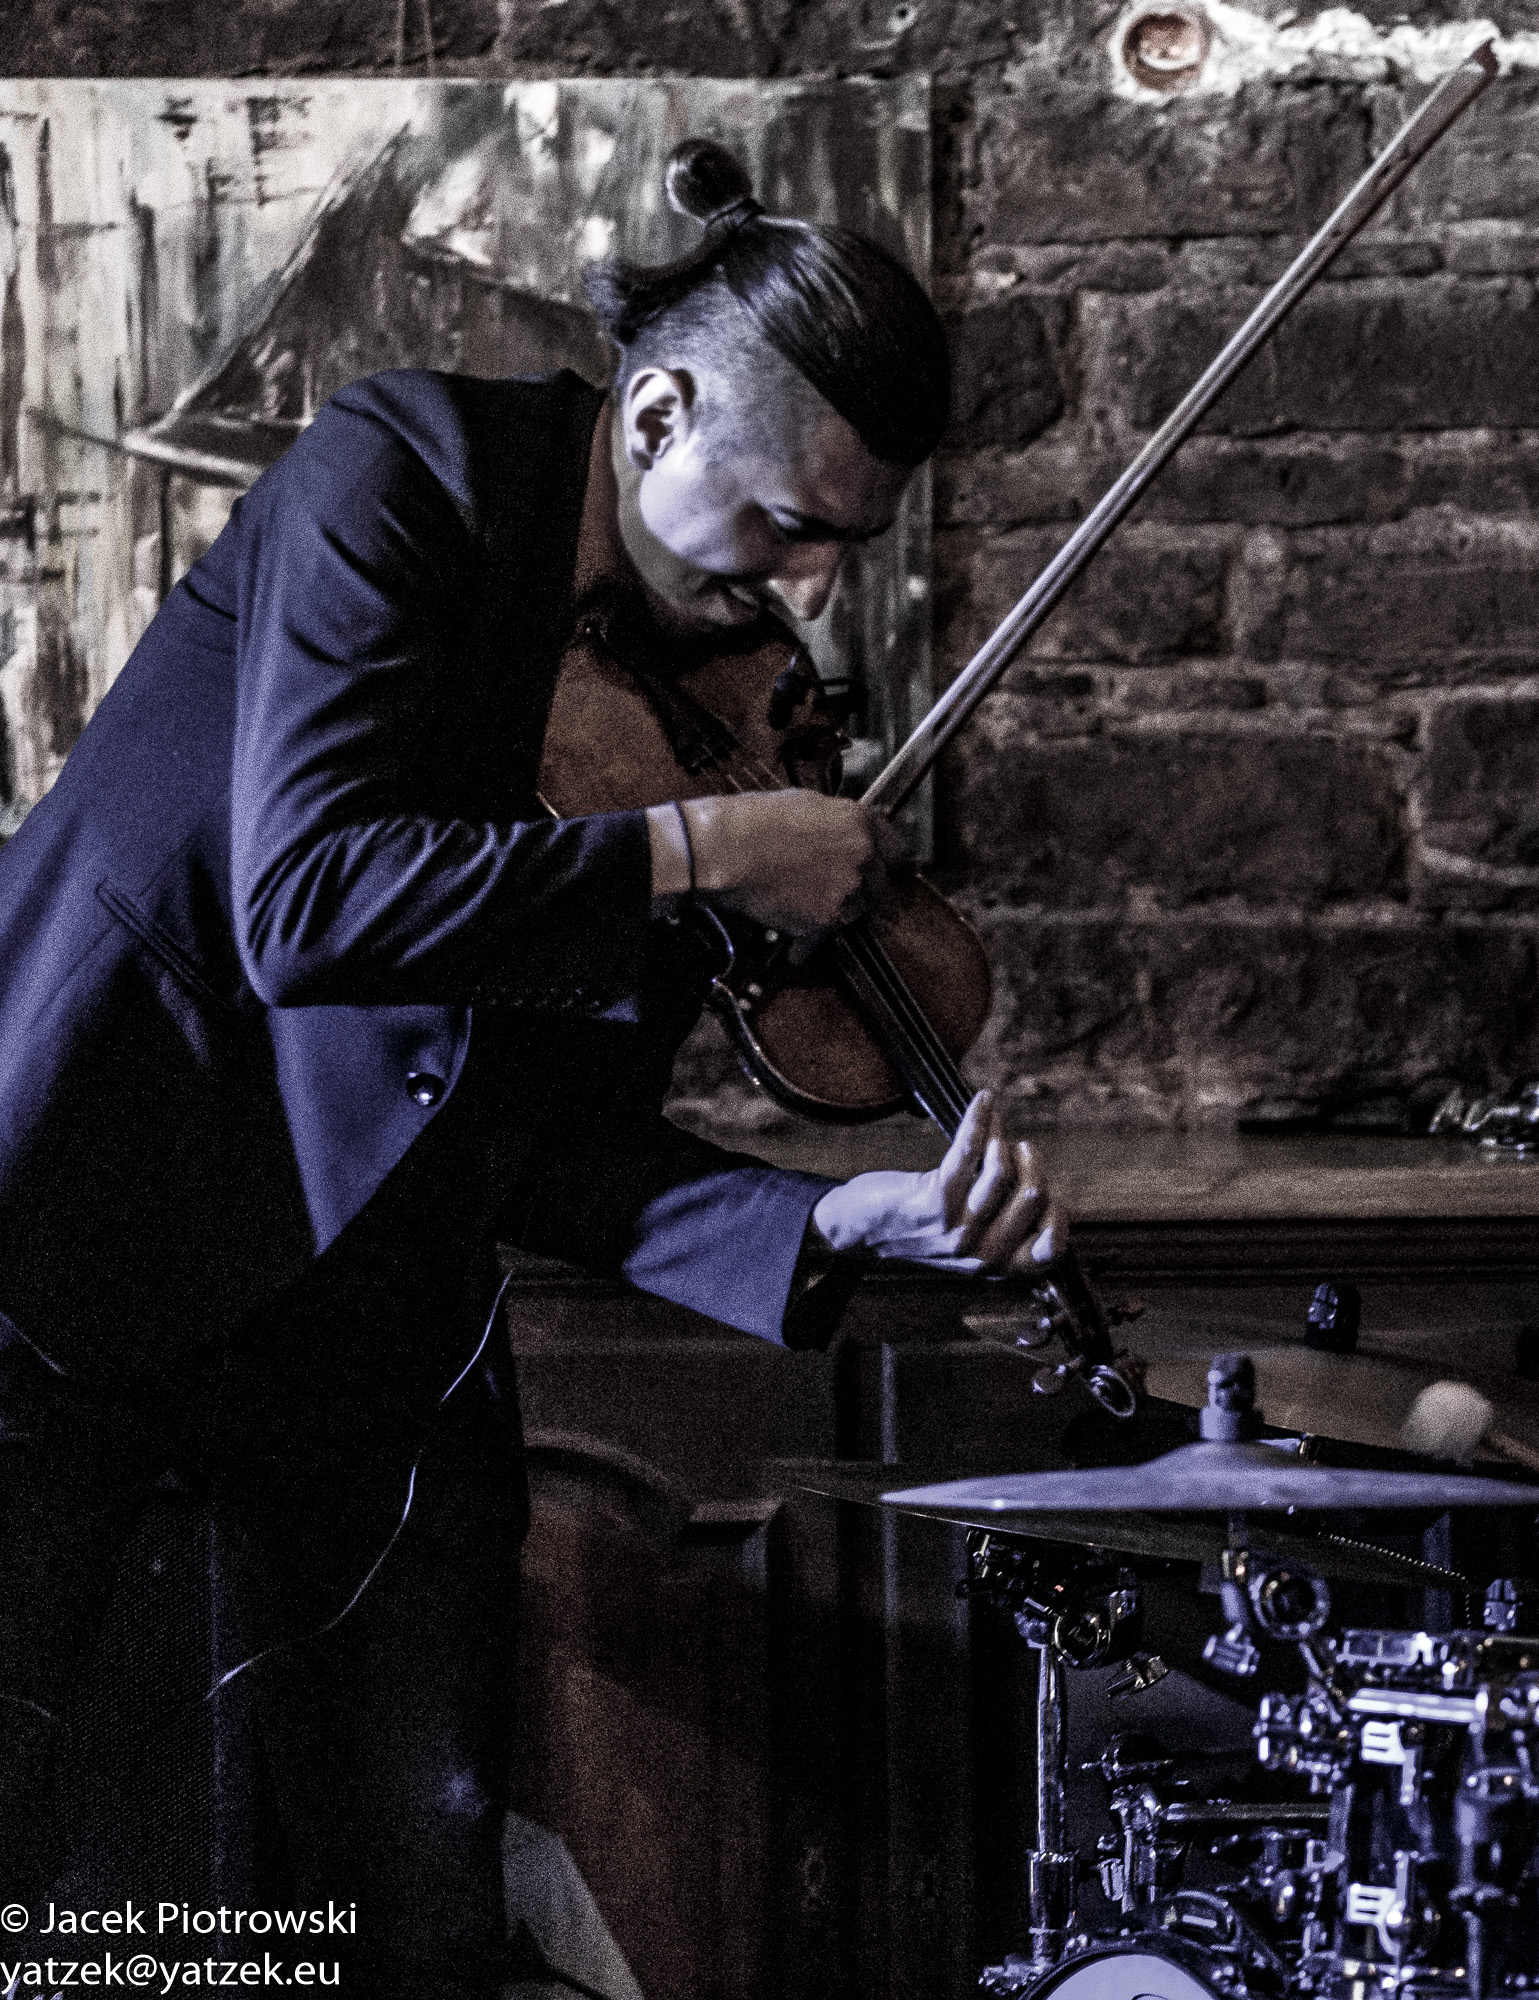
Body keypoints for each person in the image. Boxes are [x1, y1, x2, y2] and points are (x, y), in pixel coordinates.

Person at [0, 140, 1041, 1995]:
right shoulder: (400, 473)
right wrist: (709, 850)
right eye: (786, 522)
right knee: (46, 1875)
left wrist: (831, 1221)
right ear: (656, 413)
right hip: (71, 1227)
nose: (811, 590)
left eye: (849, 546)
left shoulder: (687, 710)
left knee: (408, 1901)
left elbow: (555, 1140)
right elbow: (308, 903)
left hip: (364, 1323)